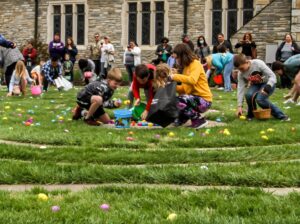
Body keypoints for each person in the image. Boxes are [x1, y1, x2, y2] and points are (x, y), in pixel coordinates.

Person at [234, 54, 289, 121]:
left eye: (242, 68)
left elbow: (272, 76)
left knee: (260, 99)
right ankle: (251, 115)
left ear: (247, 62)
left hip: (268, 83)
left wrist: (267, 87)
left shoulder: (258, 63)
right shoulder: (241, 73)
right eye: (239, 69)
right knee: (248, 95)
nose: (241, 71)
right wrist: (239, 106)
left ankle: (281, 115)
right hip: (256, 85)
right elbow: (240, 88)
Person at [169, 43, 213, 129]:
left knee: (178, 100)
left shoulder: (196, 63)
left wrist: (174, 77)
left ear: (183, 55)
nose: (176, 60)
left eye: (177, 58)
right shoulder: (186, 68)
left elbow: (192, 80)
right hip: (194, 99)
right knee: (176, 99)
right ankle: (183, 118)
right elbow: (184, 89)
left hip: (204, 101)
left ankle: (198, 120)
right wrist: (171, 87)